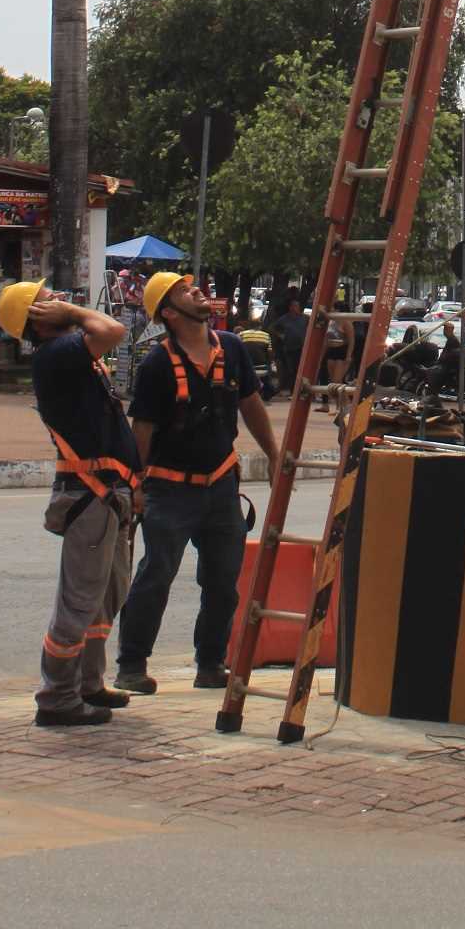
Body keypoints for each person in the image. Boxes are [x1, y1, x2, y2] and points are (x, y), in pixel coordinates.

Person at [115, 270, 279, 696]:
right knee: (157, 575)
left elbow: (251, 405)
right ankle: (131, 665)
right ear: (169, 312)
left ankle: (210, 663)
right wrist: (135, 485)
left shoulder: (234, 349)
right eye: (185, 291)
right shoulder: (157, 363)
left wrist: (276, 456)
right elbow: (144, 431)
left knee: (224, 581)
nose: (199, 292)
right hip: (169, 490)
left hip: (221, 485)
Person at [0, 278, 137, 730]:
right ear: (37, 319)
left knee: (103, 598)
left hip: (108, 491)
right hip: (90, 494)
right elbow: (114, 330)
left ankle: (88, 683)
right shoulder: (57, 355)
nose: (57, 297)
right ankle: (56, 696)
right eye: (46, 299)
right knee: (79, 601)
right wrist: (74, 314)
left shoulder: (71, 356)